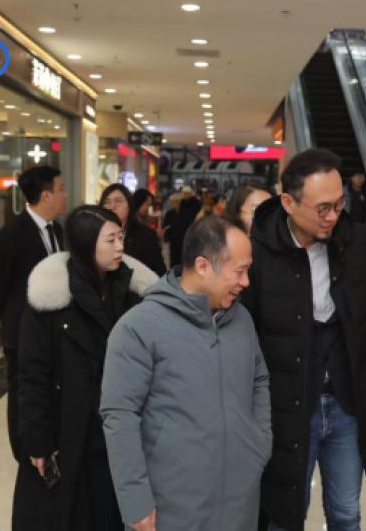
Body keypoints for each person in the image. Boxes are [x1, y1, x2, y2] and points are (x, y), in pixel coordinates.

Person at [241, 148, 366, 531]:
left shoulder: (355, 242)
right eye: (323, 208)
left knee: (346, 512)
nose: (333, 216)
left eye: (339, 204)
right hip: (287, 408)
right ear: (288, 203)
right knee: (286, 514)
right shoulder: (259, 252)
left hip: (347, 403)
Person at [101, 215, 272, 531]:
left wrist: (258, 442)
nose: (246, 282)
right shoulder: (139, 327)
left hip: (239, 499)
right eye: (239, 271)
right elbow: (120, 416)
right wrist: (135, 502)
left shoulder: (241, 320)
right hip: (171, 505)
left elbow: (259, 379)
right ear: (203, 266)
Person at [13, 205, 159, 531]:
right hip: (70, 429)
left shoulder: (133, 293)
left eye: (121, 237)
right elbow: (33, 375)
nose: (120, 247)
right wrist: (37, 439)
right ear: (85, 244)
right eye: (110, 240)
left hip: (119, 431)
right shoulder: (49, 299)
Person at [0, 165, 67, 461]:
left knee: (45, 388)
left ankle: (45, 444)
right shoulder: (13, 233)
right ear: (46, 196)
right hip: (21, 330)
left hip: (52, 329)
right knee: (22, 392)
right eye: (60, 189)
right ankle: (23, 452)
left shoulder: (57, 230)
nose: (65, 195)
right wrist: (12, 318)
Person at [100, 183, 166, 276]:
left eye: (118, 201)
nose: (112, 206)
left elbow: (159, 272)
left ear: (130, 206)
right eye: (107, 202)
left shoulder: (146, 235)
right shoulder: (95, 234)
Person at [163, 185, 201, 267]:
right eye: (171, 202)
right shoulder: (169, 214)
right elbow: (165, 226)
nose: (173, 204)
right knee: (174, 262)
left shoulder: (188, 212)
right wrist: (167, 236)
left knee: (183, 261)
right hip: (174, 242)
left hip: (184, 240)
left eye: (175, 202)